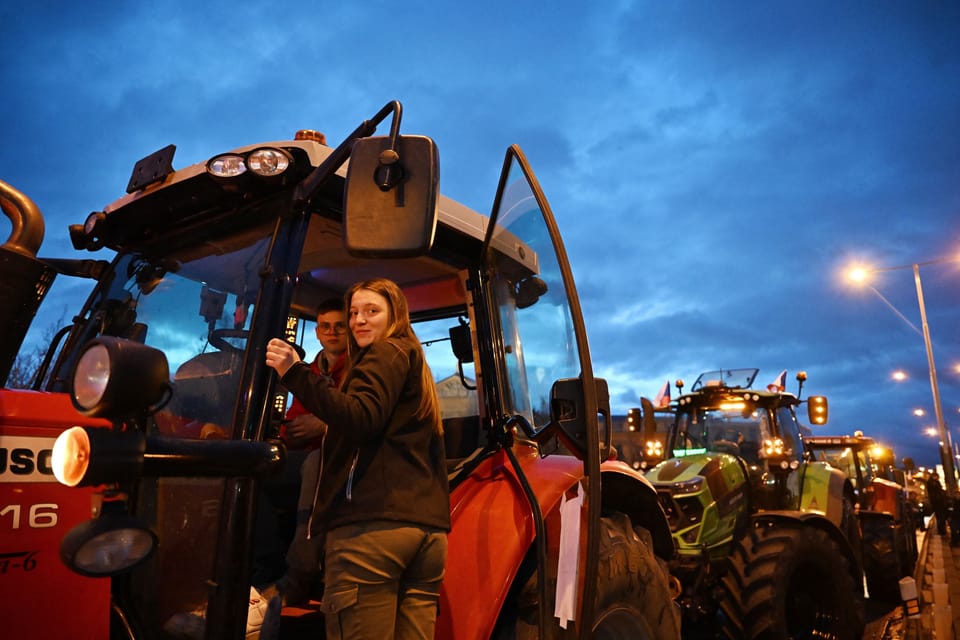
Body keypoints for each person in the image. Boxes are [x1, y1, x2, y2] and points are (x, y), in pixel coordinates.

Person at [265, 278, 450, 639]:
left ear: (394, 316)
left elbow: (361, 417)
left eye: (371, 311)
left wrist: (294, 371)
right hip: (425, 533)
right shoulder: (414, 366)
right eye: (354, 313)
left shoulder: (384, 353)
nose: (358, 321)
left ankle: (283, 578)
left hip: (374, 532)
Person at [267, 297, 349, 604]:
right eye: (325, 326)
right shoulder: (310, 372)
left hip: (344, 458)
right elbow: (295, 418)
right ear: (316, 332)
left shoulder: (360, 370)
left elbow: (366, 417)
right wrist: (288, 433)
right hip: (308, 456)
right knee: (256, 463)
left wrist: (327, 427)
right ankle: (263, 567)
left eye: (339, 326)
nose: (332, 332)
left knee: (317, 461)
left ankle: (299, 575)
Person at [926, 471, 948, 535]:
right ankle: (941, 530)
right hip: (938, 502)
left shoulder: (931, 482)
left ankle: (941, 530)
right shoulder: (933, 483)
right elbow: (937, 491)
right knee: (941, 517)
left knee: (940, 517)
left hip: (937, 502)